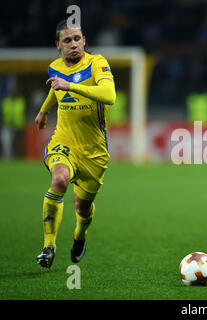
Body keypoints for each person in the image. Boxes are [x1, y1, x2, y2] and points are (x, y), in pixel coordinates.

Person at [35, 19, 116, 268]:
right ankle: (49, 247)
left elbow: (109, 95)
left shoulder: (97, 63)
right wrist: (44, 111)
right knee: (59, 180)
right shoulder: (54, 68)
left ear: (84, 41)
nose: (73, 44)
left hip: (94, 152)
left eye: (77, 39)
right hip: (64, 140)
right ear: (58, 44)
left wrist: (72, 85)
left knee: (82, 207)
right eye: (67, 40)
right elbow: (55, 89)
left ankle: (80, 234)